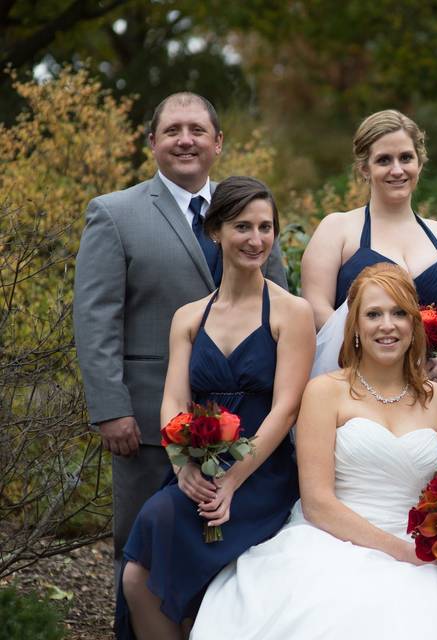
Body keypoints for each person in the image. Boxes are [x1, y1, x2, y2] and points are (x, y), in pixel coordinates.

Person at [192, 263, 437, 640]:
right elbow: (317, 503)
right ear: (355, 326)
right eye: (373, 314)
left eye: (398, 314)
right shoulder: (326, 392)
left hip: (419, 554)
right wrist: (400, 552)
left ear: (414, 325)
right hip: (330, 539)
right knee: (332, 614)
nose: (387, 325)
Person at [73, 93, 288, 576]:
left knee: (236, 556)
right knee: (142, 551)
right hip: (149, 424)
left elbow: (280, 303)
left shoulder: (251, 213)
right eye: (172, 131)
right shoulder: (114, 214)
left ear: (218, 142)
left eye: (196, 130)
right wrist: (112, 408)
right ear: (152, 142)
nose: (185, 140)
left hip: (249, 427)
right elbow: (95, 317)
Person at [116, 177, 314, 639]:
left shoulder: (291, 312)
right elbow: (173, 400)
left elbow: (286, 408)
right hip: (195, 466)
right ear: (215, 231)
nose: (256, 239)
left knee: (212, 595)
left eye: (266, 227)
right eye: (243, 226)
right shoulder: (188, 317)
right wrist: (182, 464)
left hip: (261, 474)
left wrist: (231, 481)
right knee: (136, 576)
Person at [300, 109, 437, 379]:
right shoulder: (337, 229)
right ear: (364, 168)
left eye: (406, 157)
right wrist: (375, 352)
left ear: (420, 162)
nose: (397, 170)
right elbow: (316, 308)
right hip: (356, 381)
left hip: (427, 387)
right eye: (384, 160)